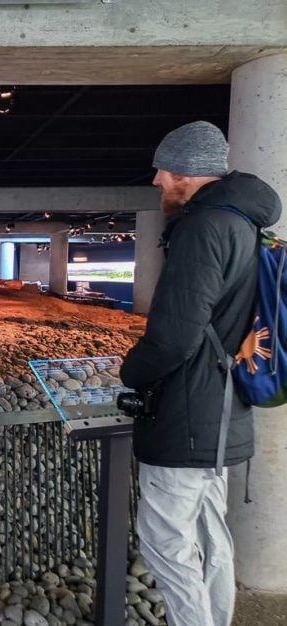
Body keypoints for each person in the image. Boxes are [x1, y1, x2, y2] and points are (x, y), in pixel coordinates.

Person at [120, 121, 283, 626]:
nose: (156, 182)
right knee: (213, 537)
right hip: (225, 411)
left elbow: (174, 335)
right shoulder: (246, 224)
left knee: (166, 542)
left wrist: (132, 371)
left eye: (162, 171)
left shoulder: (202, 227)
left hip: (187, 417)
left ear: (185, 173)